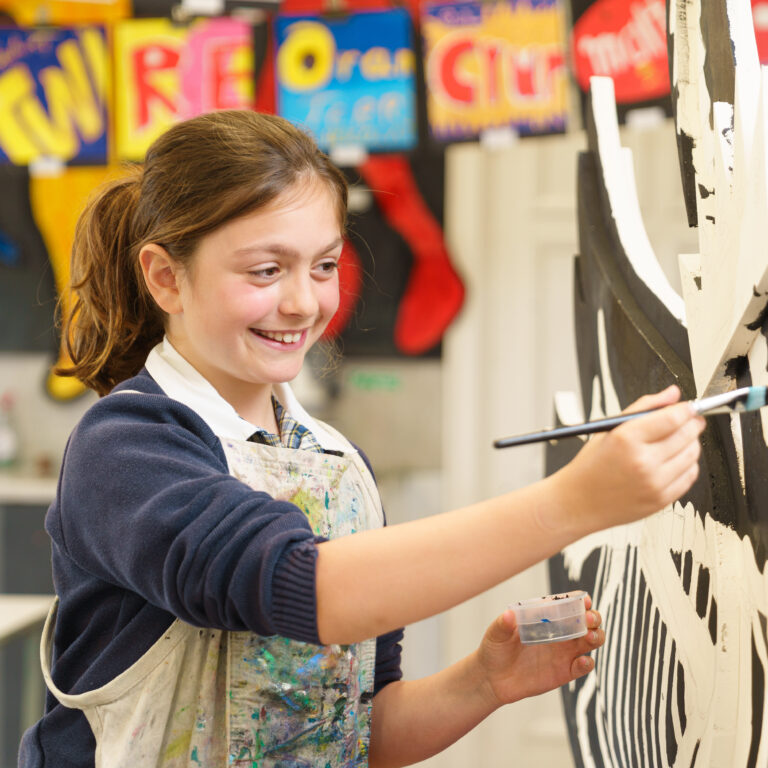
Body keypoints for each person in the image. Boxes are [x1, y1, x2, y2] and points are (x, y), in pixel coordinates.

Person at [18, 110, 705, 768]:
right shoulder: (129, 447)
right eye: (266, 270)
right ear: (166, 276)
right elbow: (300, 587)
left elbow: (357, 729)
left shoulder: (339, 468)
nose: (304, 302)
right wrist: (573, 503)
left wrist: (483, 681)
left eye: (323, 265)